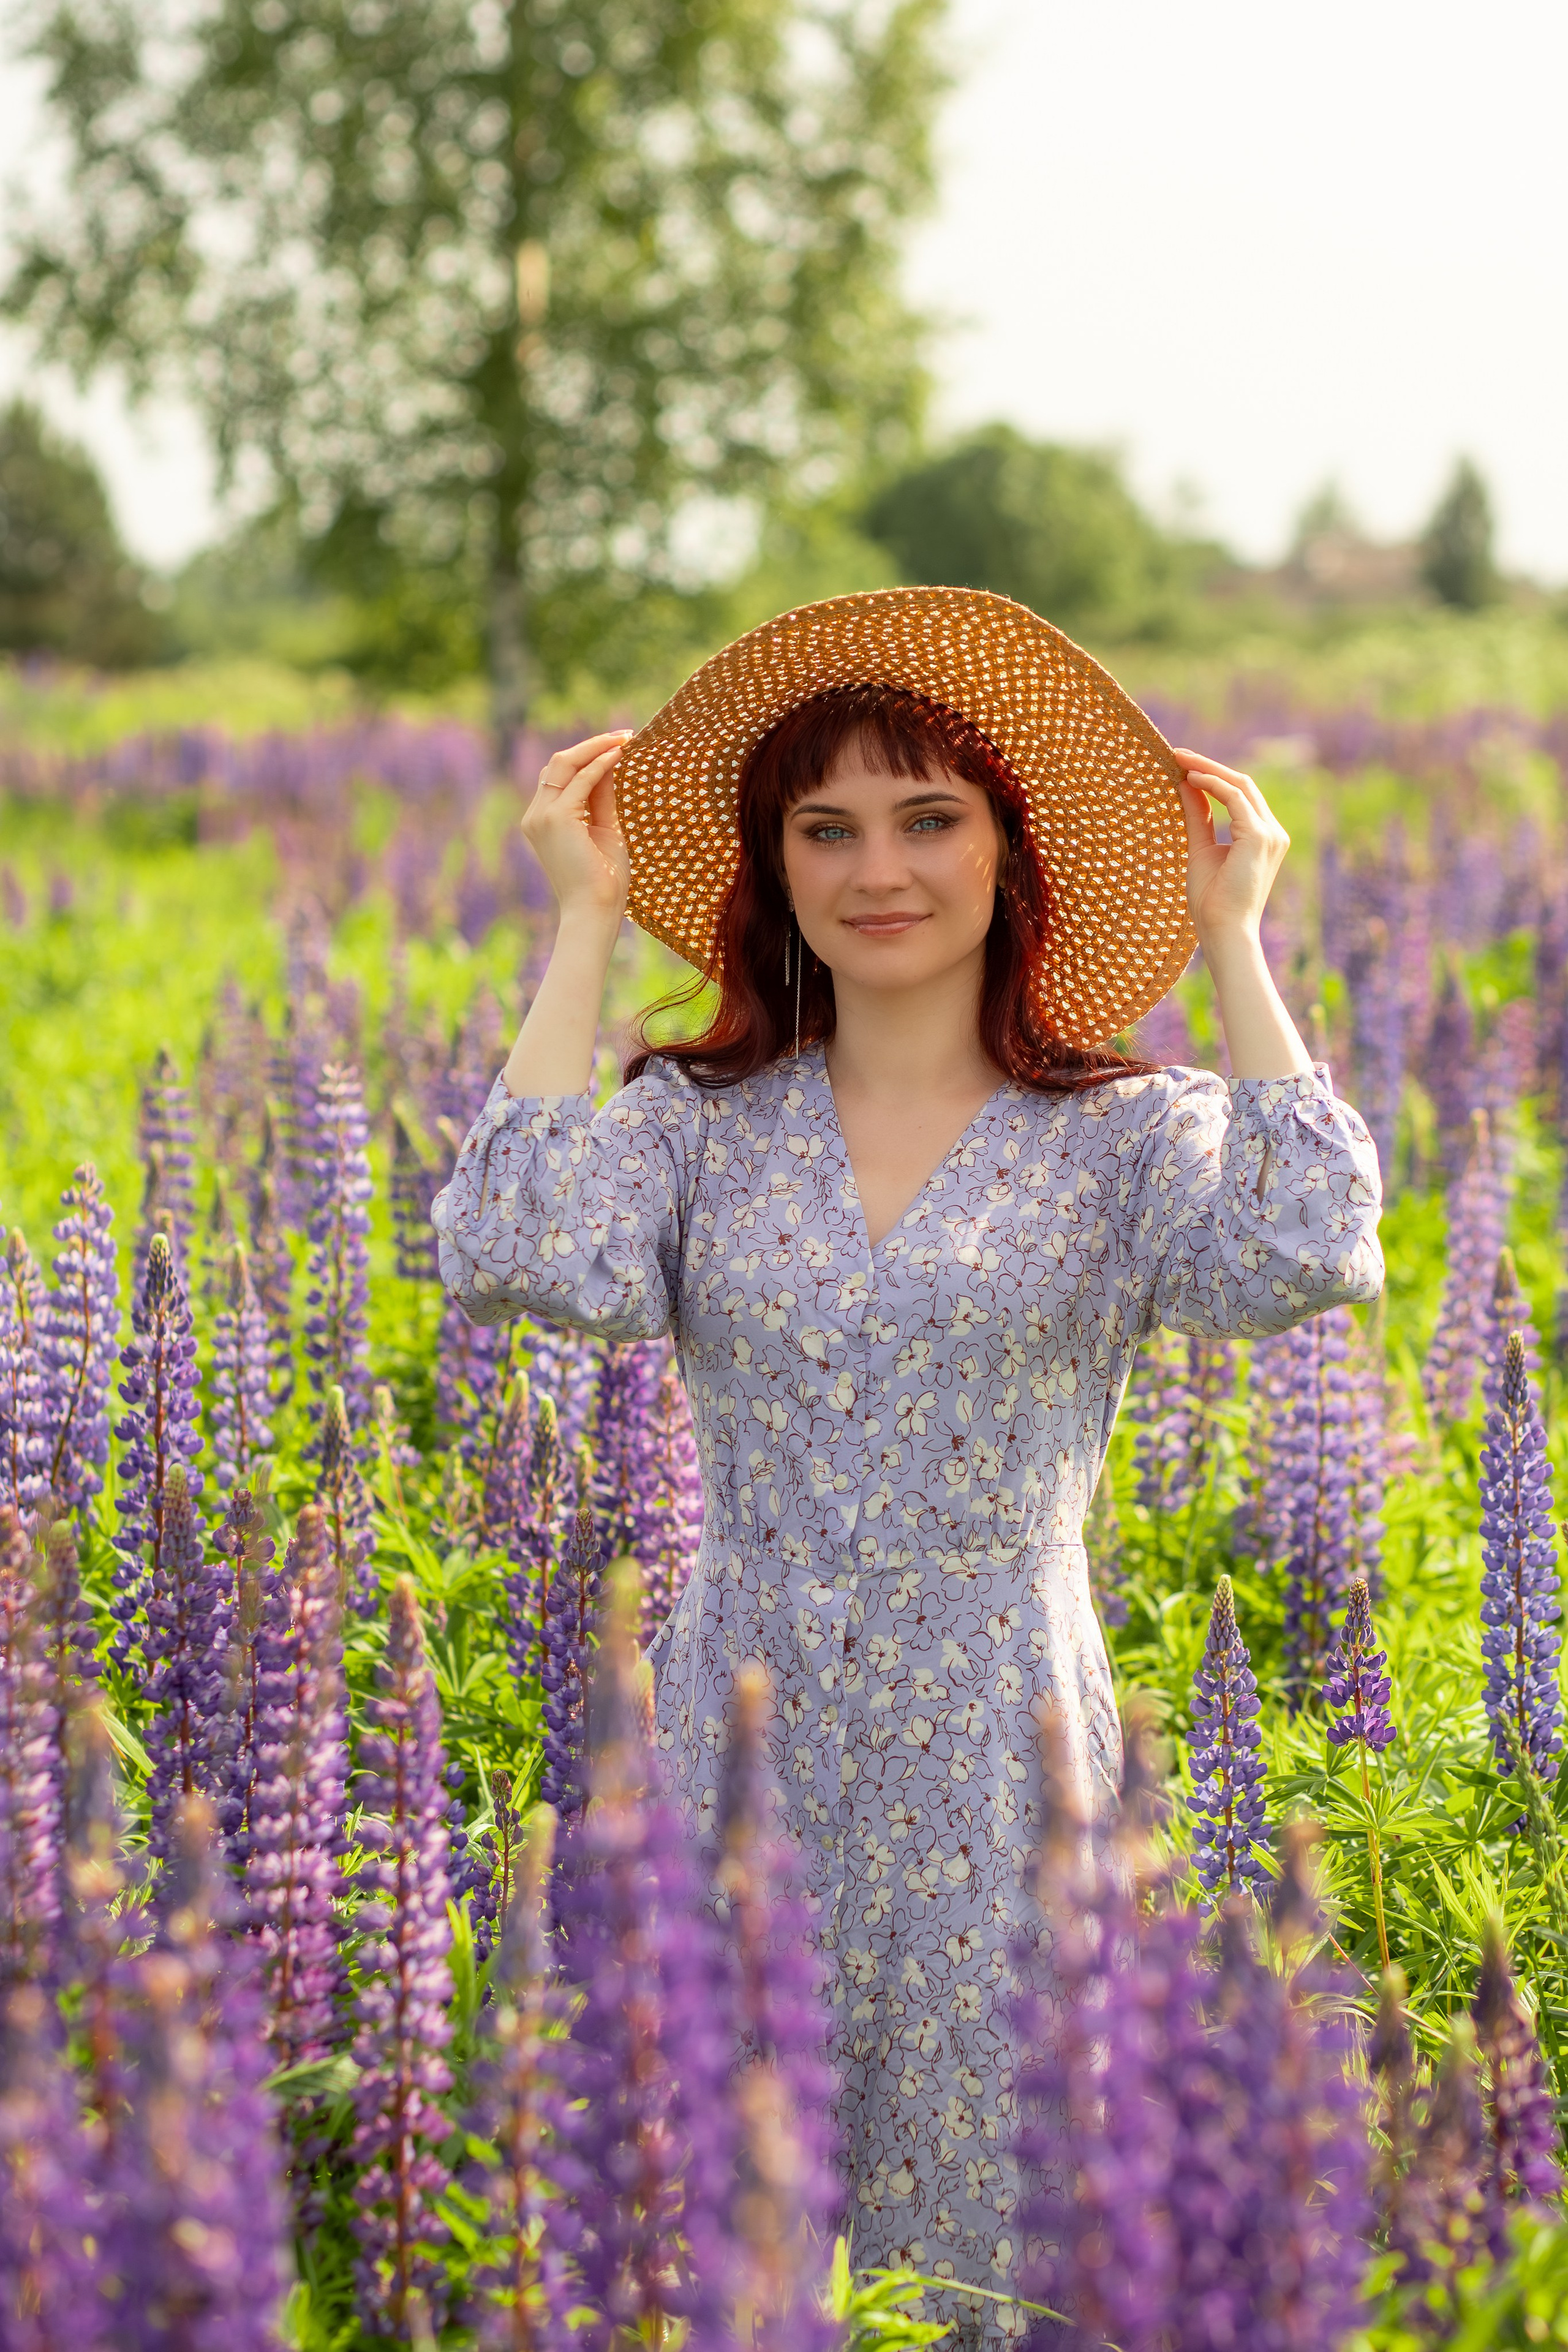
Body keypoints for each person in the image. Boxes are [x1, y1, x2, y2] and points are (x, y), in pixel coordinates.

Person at [433, 588, 1382, 2336]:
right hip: (744, 1715)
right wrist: (580, 921)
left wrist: (1230, 927)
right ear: (775, 868)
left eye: (931, 817)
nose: (882, 867)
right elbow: (513, 1250)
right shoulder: (698, 1126)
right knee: (716, 2209)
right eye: (828, 828)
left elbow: (1313, 1242)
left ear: (1009, 853)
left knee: (998, 2232)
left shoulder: (1119, 1136)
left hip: (1007, 1735)